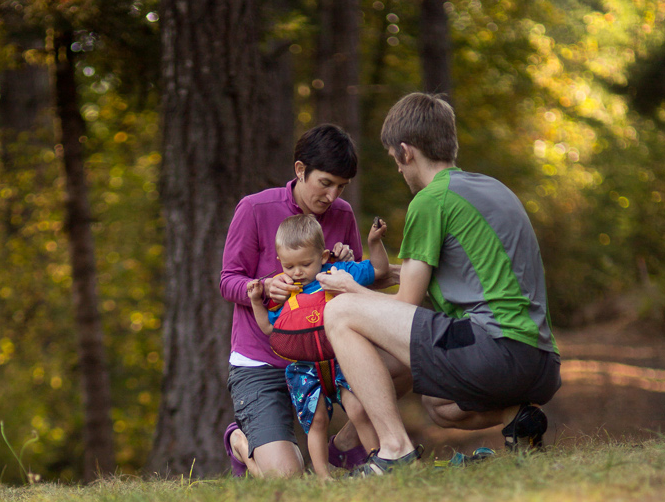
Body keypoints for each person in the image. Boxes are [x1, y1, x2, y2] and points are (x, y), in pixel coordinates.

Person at [320, 92, 561, 475]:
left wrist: (349, 290)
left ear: (405, 152)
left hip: (496, 353)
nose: (399, 171)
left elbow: (405, 306)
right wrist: (382, 278)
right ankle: (520, 418)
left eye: (394, 161)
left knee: (341, 313)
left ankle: (394, 449)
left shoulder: (431, 200)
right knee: (439, 404)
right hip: (541, 362)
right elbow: (465, 276)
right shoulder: (493, 189)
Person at [220, 123, 411, 479]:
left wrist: (345, 262)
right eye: (325, 183)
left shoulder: (342, 215)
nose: (332, 195)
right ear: (300, 170)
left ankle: (346, 449)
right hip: (262, 360)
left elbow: (352, 288)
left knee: (406, 361)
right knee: (287, 477)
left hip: (325, 357)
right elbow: (228, 280)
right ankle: (240, 442)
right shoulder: (255, 209)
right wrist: (262, 286)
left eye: (341, 186)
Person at [246, 213, 389, 478]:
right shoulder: (284, 293)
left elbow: (378, 270)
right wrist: (257, 301)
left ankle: (378, 462)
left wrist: (374, 242)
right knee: (317, 421)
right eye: (289, 266)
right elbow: (269, 329)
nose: (297, 272)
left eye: (306, 263)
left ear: (322, 257)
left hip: (343, 359)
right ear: (280, 262)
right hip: (304, 370)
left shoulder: (337, 273)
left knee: (359, 410)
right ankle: (323, 478)